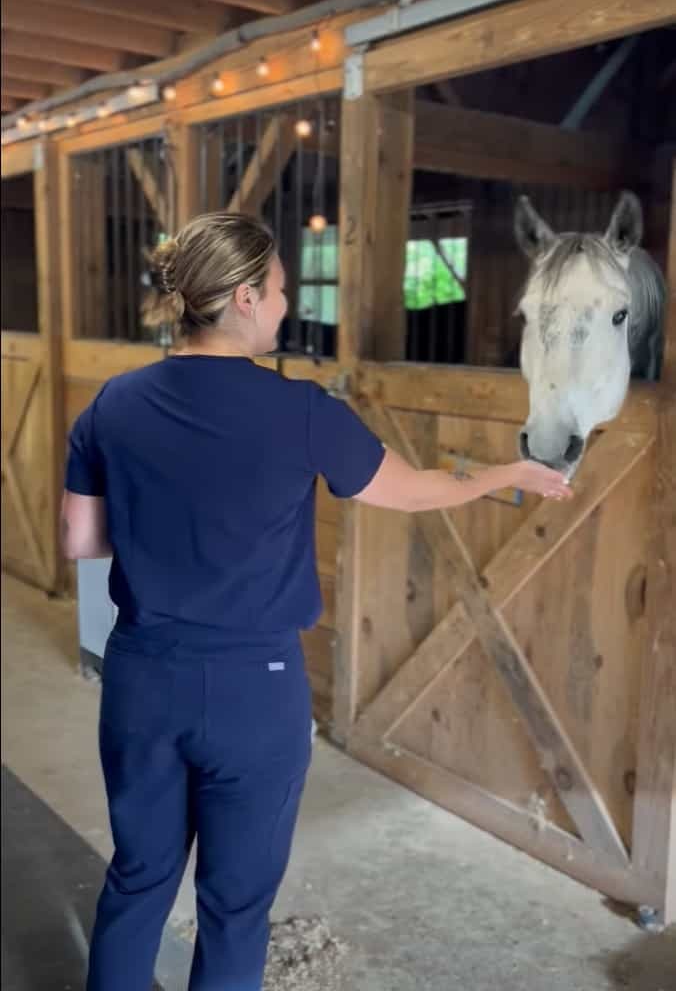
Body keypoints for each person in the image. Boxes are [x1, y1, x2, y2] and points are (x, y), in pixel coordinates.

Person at [61, 212, 572, 991]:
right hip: (255, 688)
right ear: (240, 298)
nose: (284, 305)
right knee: (234, 906)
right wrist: (510, 472)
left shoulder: (114, 402)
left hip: (143, 676)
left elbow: (80, 539)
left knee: (138, 880)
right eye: (276, 291)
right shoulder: (301, 413)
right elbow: (414, 491)